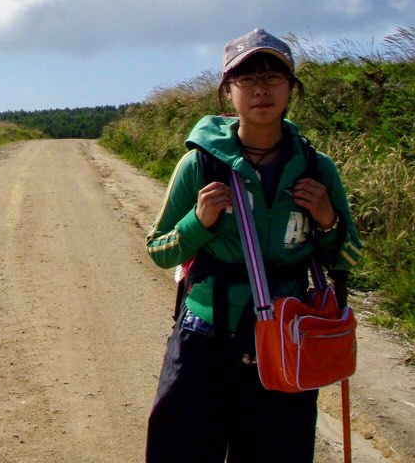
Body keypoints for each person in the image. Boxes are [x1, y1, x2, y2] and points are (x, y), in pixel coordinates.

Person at [144, 27, 362, 463]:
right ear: (228, 92)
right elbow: (160, 249)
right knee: (182, 449)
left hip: (287, 336)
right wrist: (198, 223)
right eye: (247, 79)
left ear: (291, 89)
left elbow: (349, 256)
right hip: (205, 332)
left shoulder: (318, 169)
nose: (261, 89)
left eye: (273, 77)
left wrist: (326, 220)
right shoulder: (200, 163)